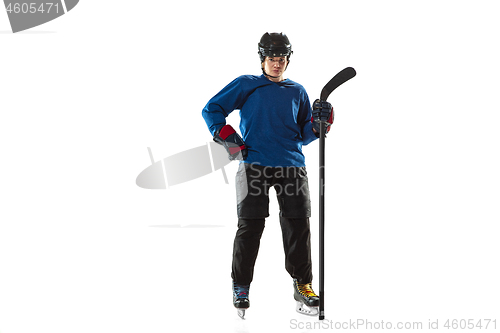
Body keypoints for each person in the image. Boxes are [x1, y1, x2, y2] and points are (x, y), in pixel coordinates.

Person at [202, 32, 333, 318]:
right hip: (254, 165)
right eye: (272, 59)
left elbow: (304, 134)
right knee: (250, 226)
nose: (277, 64)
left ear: (288, 59)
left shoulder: (297, 90)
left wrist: (320, 125)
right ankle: (241, 286)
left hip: (292, 166)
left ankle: (303, 285)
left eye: (282, 59)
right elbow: (212, 109)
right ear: (262, 59)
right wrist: (227, 137)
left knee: (298, 225)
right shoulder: (247, 84)